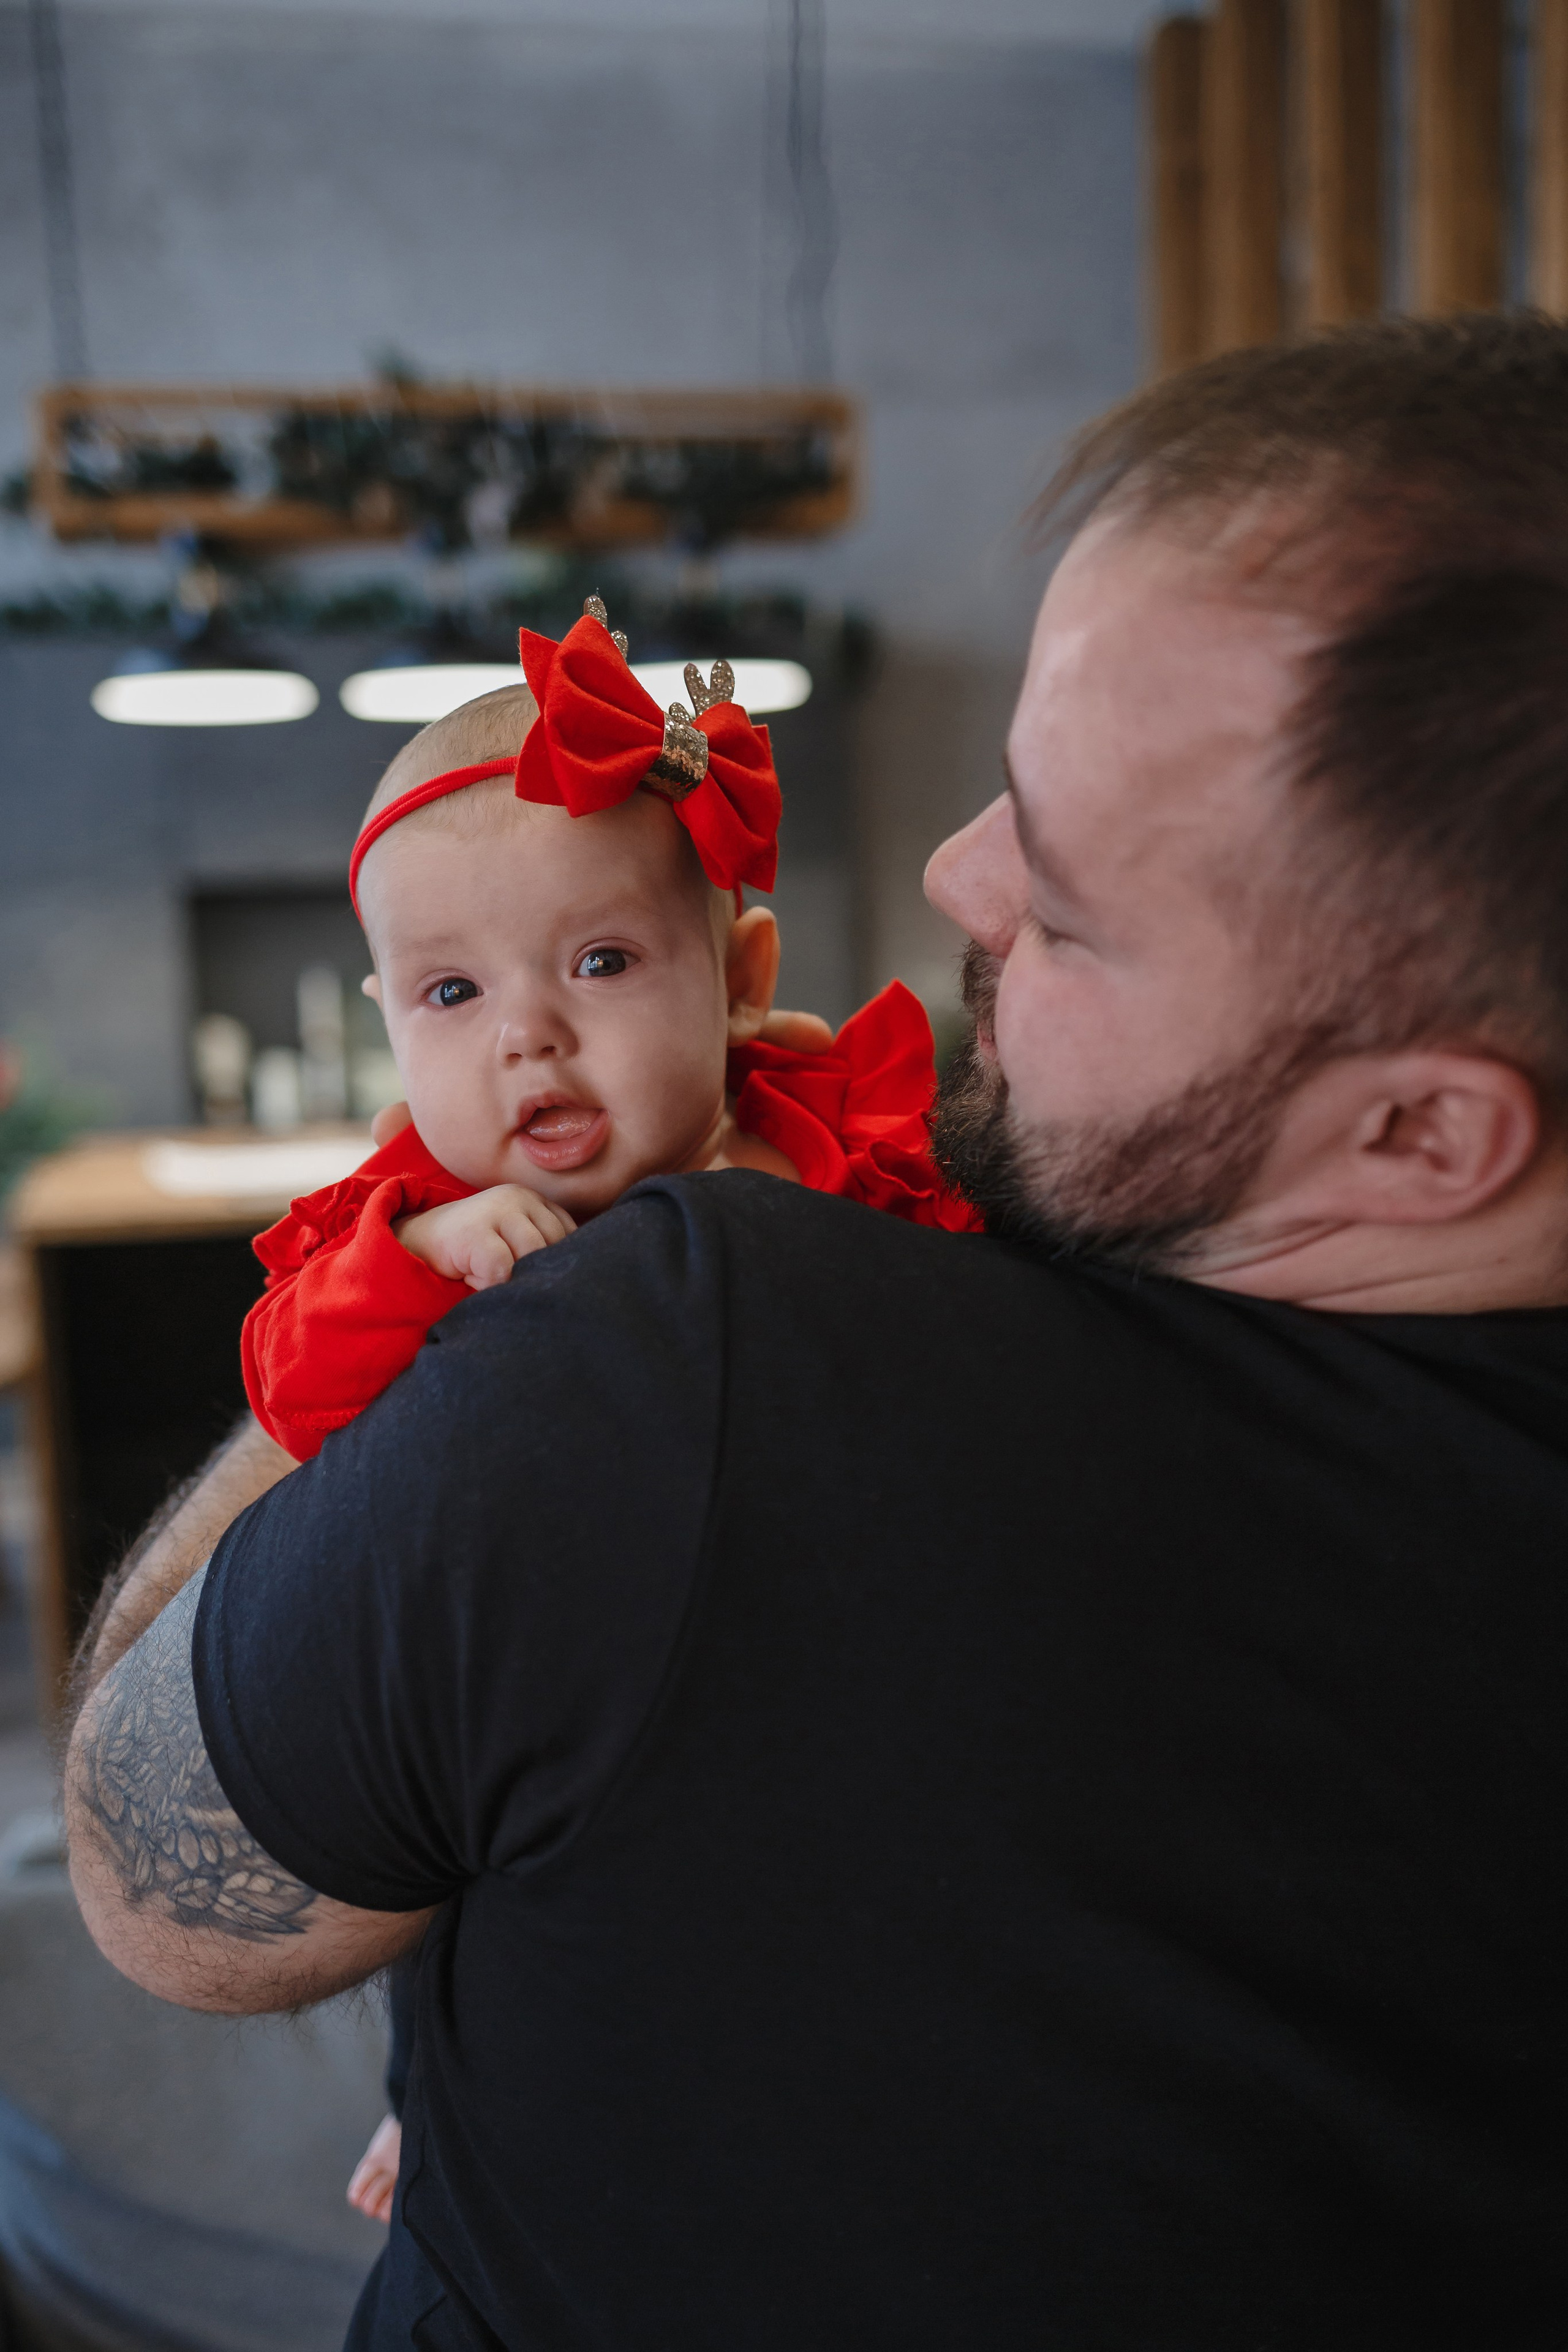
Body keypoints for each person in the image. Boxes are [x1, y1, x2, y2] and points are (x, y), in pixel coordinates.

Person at [64, 312, 1568, 2347]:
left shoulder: (677, 1360)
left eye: (1070, 891)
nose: (955, 877)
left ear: (1422, 1129)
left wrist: (464, 1350)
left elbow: (149, 1887)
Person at [243, 597, 974, 2213]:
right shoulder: (417, 1208)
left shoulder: (831, 1136)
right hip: (555, 1670)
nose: (530, 1036)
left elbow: (968, 1291)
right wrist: (420, 1260)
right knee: (474, 1887)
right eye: (450, 997)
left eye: (601, 962)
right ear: (385, 1026)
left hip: (812, 1632)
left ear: (740, 973)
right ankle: (433, 2094)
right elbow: (290, 1389)